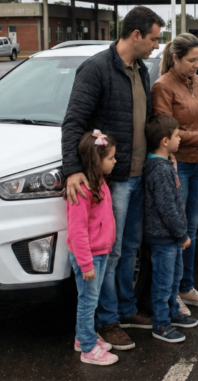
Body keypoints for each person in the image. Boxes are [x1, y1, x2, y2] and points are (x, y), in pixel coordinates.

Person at [62, 6, 166, 350]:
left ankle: (125, 309)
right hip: (115, 181)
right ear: (135, 35)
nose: (156, 46)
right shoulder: (96, 69)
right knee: (111, 252)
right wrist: (73, 169)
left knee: (131, 249)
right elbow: (74, 122)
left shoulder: (142, 70)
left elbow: (146, 120)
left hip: (138, 176)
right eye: (153, 38)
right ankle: (107, 321)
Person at [151, 33, 198, 317]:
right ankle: (172, 295)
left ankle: (186, 287)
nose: (197, 65)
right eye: (192, 60)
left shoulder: (197, 81)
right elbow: (165, 132)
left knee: (191, 230)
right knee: (176, 232)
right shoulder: (162, 87)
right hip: (177, 165)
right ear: (175, 59)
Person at [143, 115, 198, 343]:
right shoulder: (159, 170)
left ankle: (172, 313)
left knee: (174, 278)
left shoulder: (165, 165)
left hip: (172, 238)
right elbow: (167, 208)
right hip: (164, 238)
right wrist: (182, 234)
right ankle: (161, 324)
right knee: (163, 282)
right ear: (165, 141)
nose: (180, 140)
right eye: (177, 136)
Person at [65, 130, 119, 365]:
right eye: (111, 158)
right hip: (89, 258)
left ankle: (82, 337)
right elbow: (77, 231)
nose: (115, 161)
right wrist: (86, 263)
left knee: (90, 300)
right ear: (97, 160)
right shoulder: (82, 191)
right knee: (88, 302)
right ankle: (88, 348)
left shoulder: (101, 183)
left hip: (100, 253)